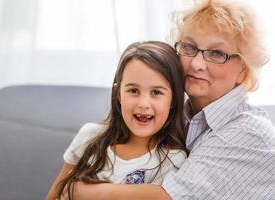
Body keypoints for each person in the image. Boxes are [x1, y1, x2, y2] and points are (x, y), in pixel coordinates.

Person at [58, 0, 275, 199]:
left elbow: (169, 197)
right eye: (189, 47)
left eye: (217, 53)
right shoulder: (180, 118)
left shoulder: (249, 131)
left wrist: (76, 189)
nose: (197, 64)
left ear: (243, 71)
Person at [46, 41, 189, 200]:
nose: (143, 104)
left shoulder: (173, 160)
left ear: (174, 100)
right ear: (118, 94)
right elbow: (54, 194)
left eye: (156, 92)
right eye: (133, 90)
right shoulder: (90, 136)